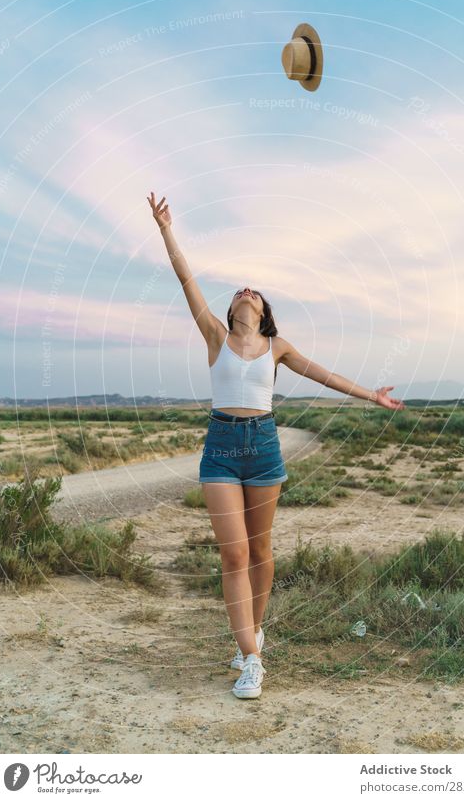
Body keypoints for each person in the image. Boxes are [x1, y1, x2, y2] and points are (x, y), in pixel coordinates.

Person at [147, 191, 406, 699]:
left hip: (263, 446)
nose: (247, 292)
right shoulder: (215, 336)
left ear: (263, 313)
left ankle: (253, 633)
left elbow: (323, 374)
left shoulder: (277, 348)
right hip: (221, 446)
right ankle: (251, 659)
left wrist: (370, 395)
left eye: (255, 293)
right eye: (241, 291)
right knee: (235, 555)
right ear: (230, 309)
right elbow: (185, 279)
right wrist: (165, 229)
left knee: (262, 550)